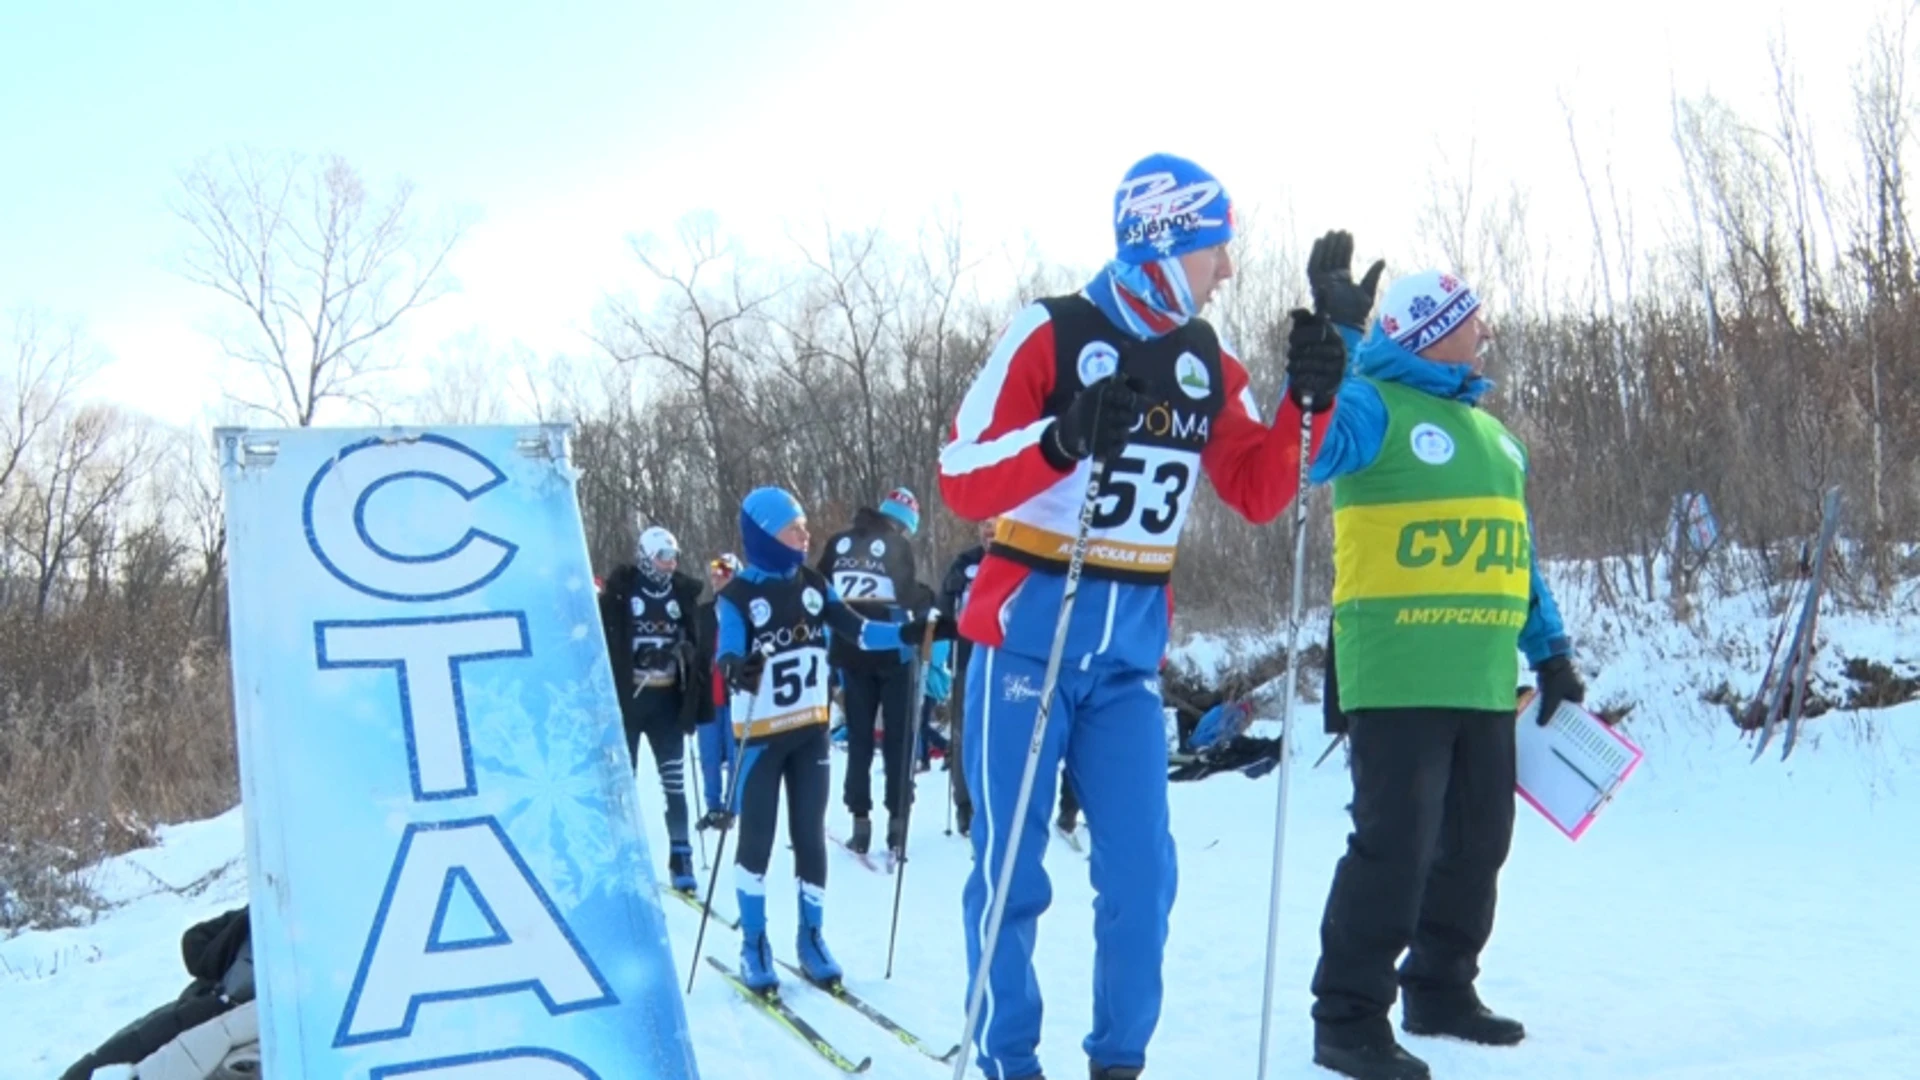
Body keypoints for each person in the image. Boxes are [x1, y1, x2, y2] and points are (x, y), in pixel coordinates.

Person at [936, 152, 1349, 1080]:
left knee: (1142, 879)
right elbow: (960, 474)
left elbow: (1257, 488)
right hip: (1024, 649)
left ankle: (1118, 1061)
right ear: (1164, 241)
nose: (1227, 270)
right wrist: (1061, 437)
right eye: (1215, 248)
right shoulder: (1051, 330)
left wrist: (1305, 393)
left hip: (1125, 665)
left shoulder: (1209, 361)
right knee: (1011, 873)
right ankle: (1009, 1060)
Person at [1296, 232, 1592, 1080]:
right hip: (1396, 673)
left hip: (1480, 676)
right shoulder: (1374, 404)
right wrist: (1343, 337)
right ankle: (1347, 1017)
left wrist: (1554, 652)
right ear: (1430, 332)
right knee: (1395, 848)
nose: (1486, 331)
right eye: (1471, 320)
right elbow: (1314, 441)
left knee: (1477, 843)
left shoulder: (1493, 436)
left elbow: (1518, 555)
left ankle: (1441, 986)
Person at [713, 486, 956, 993]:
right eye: (793, 528)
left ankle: (811, 937)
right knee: (756, 840)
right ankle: (754, 942)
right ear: (765, 535)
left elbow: (861, 632)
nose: (805, 535)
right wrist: (738, 667)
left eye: (804, 525)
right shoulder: (736, 597)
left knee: (810, 837)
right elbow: (728, 652)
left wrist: (913, 633)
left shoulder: (814, 584)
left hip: (810, 733)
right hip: (759, 738)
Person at [597, 523, 708, 893]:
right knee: (624, 785)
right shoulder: (623, 595)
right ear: (646, 559)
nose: (670, 565)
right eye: (663, 558)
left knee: (674, 783)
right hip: (629, 704)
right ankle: (624, 854)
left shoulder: (682, 595)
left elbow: (694, 641)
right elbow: (609, 642)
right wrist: (641, 654)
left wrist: (685, 653)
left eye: (674, 557)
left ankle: (681, 856)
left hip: (666, 705)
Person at [816, 487, 925, 859]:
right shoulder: (896, 547)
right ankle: (898, 827)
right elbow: (908, 596)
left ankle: (860, 823)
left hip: (851, 652)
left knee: (860, 739)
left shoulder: (838, 543)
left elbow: (819, 589)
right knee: (898, 739)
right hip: (894, 652)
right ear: (904, 524)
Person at [937, 516, 995, 836]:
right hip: (969, 660)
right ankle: (965, 804)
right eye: (985, 524)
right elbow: (944, 611)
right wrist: (950, 589)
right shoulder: (967, 561)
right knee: (965, 733)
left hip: (1008, 662)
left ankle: (999, 801)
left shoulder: (1020, 557)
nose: (990, 530)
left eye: (997, 523)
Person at [696, 552, 744, 829]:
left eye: (723, 573)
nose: (716, 579)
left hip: (735, 693)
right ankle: (712, 807)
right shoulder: (705, 612)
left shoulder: (743, 611)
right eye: (714, 573)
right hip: (708, 694)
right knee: (709, 756)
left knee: (735, 753)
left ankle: (731, 807)